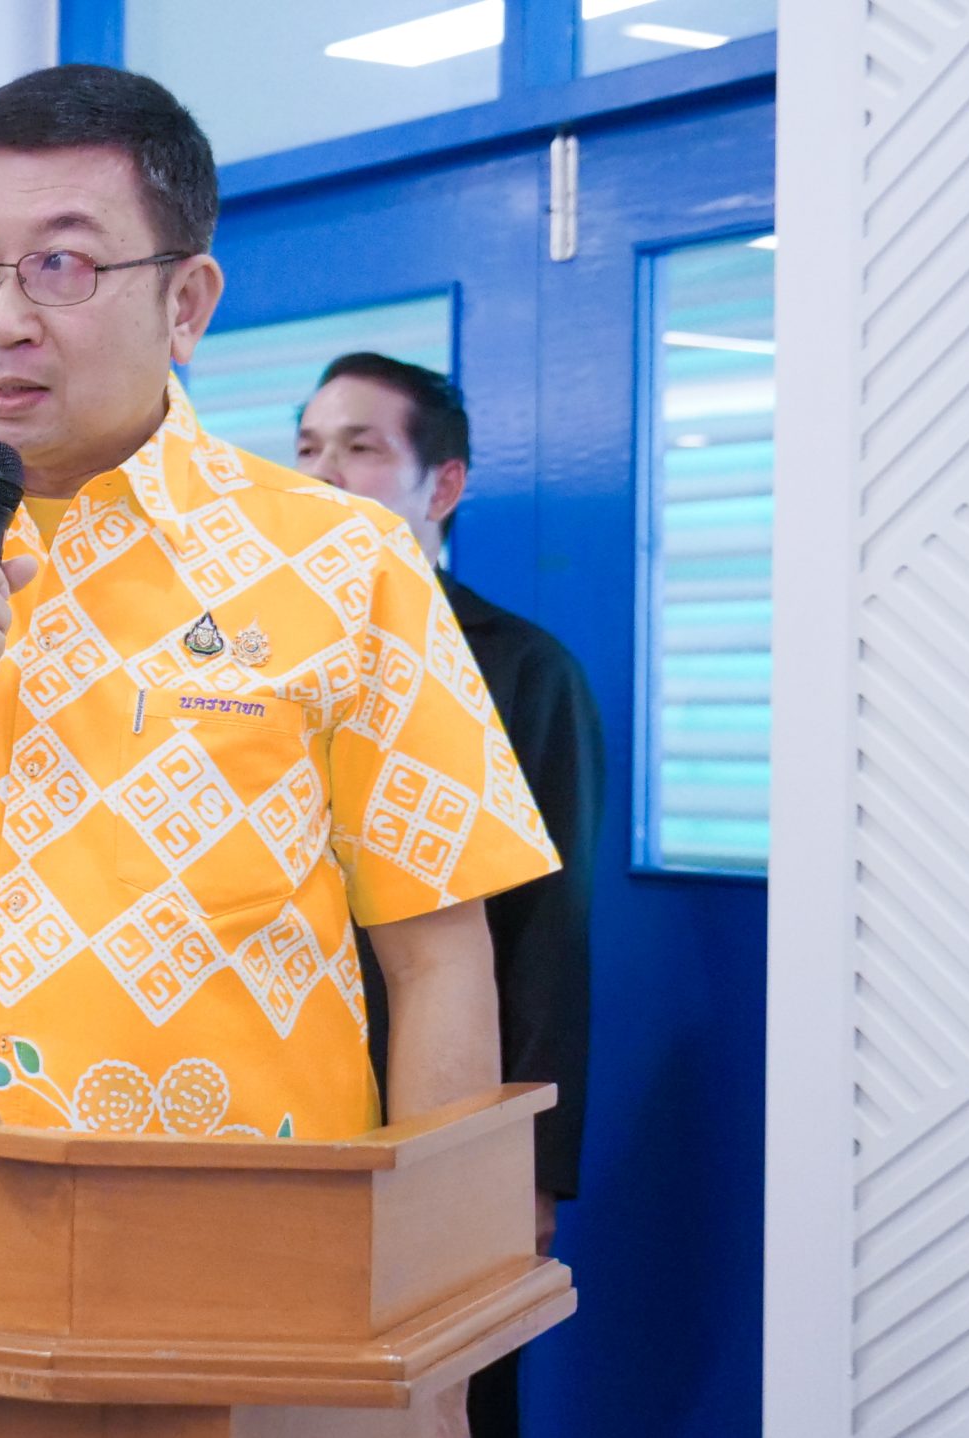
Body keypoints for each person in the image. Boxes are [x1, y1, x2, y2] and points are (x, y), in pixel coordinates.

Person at [0, 53, 556, 1259]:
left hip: (250, 1253)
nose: (0, 318)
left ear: (185, 302)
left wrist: (435, 1289)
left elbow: (440, 961)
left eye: (62, 264)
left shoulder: (343, 560)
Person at [299, 353, 602, 1438]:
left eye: (360, 448)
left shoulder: (522, 669)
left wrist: (525, 1169)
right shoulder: (264, 653)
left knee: (448, 1390)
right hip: (290, 1115)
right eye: (306, 447)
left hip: (443, 1110)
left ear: (445, 485)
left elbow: (547, 938)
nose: (321, 474)